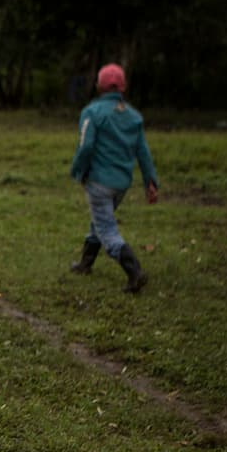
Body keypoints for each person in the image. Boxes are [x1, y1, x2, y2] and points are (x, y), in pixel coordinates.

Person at [68, 63, 159, 293]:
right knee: (99, 220)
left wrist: (78, 169)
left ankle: (134, 271)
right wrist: (150, 181)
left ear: (99, 86)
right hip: (121, 184)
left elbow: (86, 145)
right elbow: (143, 152)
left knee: (107, 229)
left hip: (99, 181)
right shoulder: (133, 117)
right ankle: (85, 263)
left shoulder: (92, 112)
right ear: (123, 87)